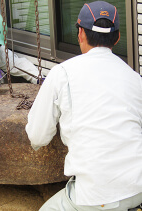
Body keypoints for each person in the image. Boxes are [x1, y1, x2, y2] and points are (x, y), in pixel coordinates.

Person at [26, 1, 142, 211]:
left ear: (80, 33)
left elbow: (37, 135)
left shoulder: (63, 73)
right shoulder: (135, 78)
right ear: (117, 37)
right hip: (137, 188)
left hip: (97, 195)